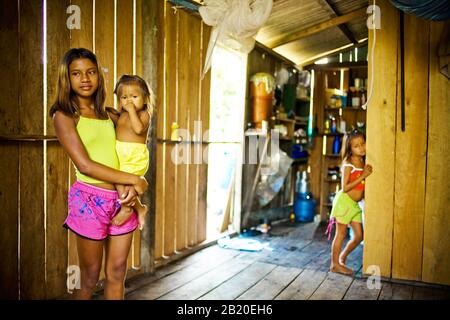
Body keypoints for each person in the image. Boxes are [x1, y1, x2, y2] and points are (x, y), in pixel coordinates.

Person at [50, 48, 148, 300]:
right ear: (67, 78)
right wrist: (135, 180)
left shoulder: (110, 115)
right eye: (77, 73)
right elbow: (85, 165)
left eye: (91, 72)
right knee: (90, 278)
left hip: (122, 200)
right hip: (89, 201)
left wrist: (138, 181)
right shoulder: (64, 116)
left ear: (99, 76)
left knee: (116, 272)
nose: (85, 79)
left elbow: (135, 139)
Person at [108, 75, 153, 230]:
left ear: (145, 98)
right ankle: (140, 208)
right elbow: (119, 126)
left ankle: (127, 208)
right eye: (124, 97)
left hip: (134, 156)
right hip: (121, 153)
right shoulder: (123, 115)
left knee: (122, 184)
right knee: (119, 182)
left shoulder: (143, 115)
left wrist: (132, 111)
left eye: (134, 97)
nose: (129, 101)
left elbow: (138, 128)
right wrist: (111, 114)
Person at [326, 129, 373, 275]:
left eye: (363, 143)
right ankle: (334, 265)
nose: (361, 148)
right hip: (344, 202)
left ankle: (342, 257)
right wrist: (363, 175)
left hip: (354, 205)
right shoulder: (348, 163)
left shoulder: (363, 160)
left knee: (359, 236)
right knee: (340, 234)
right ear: (350, 148)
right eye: (356, 146)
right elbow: (345, 187)